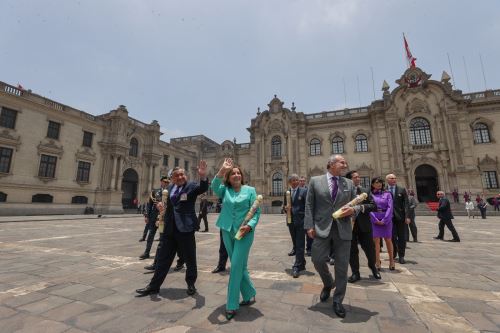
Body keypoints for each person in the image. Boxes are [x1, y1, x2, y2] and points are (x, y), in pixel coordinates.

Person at [135, 161, 208, 297]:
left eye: (182, 175)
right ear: (172, 179)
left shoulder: (191, 186)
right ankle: (153, 286)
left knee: (190, 258)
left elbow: (202, 188)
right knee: (163, 259)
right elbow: (168, 207)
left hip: (185, 229)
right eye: (176, 176)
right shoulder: (168, 190)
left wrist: (203, 176)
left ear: (185, 176)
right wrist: (162, 208)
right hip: (169, 229)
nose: (180, 177)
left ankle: (191, 283)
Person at [304, 154, 359, 318]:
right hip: (321, 227)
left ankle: (338, 300)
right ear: (331, 164)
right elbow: (309, 204)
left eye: (345, 162)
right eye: (342, 162)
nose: (345, 164)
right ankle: (328, 282)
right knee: (317, 259)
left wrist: (354, 210)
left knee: (342, 266)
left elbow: (356, 203)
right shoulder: (315, 181)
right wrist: (309, 225)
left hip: (343, 229)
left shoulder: (348, 183)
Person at [211, 158, 261, 320]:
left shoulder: (250, 190)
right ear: (228, 177)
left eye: (238, 173)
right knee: (239, 265)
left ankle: (231, 304)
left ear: (242, 176)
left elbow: (256, 212)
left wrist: (250, 225)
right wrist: (222, 170)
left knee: (235, 267)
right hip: (227, 230)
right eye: (233, 173)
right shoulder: (224, 190)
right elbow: (213, 186)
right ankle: (249, 293)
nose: (236, 175)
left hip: (244, 232)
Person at [345, 171, 380, 283]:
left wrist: (360, 207)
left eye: (359, 177)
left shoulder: (365, 191)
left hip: (364, 225)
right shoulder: (344, 192)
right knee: (352, 250)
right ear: (349, 180)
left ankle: (373, 267)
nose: (358, 179)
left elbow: (374, 206)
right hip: (349, 226)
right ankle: (355, 273)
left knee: (370, 249)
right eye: (355, 177)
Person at [284, 174, 308, 278]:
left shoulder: (304, 191)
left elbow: (307, 206)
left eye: (296, 180)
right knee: (295, 243)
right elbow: (285, 206)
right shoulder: (287, 192)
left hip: (301, 222)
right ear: (289, 182)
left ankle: (297, 266)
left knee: (300, 243)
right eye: (293, 180)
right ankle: (302, 263)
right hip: (290, 221)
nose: (295, 182)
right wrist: (285, 208)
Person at [139, 177, 170, 259]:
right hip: (154, 217)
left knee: (162, 237)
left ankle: (162, 254)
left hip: (164, 218)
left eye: (167, 182)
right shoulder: (155, 192)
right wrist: (146, 216)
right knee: (150, 236)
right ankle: (146, 252)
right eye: (164, 182)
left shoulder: (170, 193)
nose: (166, 183)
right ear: (161, 182)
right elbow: (149, 205)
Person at [370, 177, 396, 271]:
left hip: (386, 219)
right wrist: (375, 219)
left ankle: (391, 261)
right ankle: (377, 261)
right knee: (376, 241)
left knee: (388, 240)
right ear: (372, 184)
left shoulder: (387, 194)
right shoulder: (370, 195)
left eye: (380, 182)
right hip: (374, 219)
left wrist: (385, 219)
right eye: (377, 182)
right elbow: (369, 207)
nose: (379, 184)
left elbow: (390, 207)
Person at [385, 174, 410, 264]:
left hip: (400, 217)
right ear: (387, 180)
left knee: (402, 237)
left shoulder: (401, 189)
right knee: (391, 237)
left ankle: (401, 256)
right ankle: (393, 253)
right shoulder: (384, 190)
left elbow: (406, 204)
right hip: (389, 218)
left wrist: (407, 216)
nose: (394, 179)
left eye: (395, 178)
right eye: (392, 178)